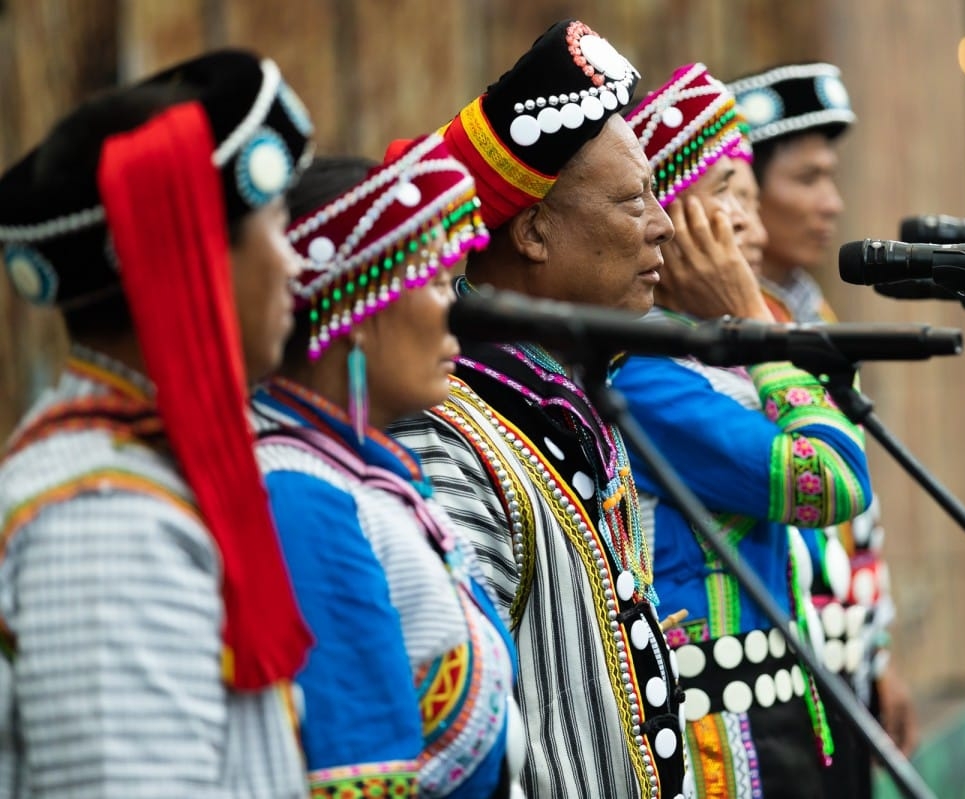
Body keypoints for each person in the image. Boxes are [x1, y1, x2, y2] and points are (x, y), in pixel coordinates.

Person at [0, 50, 315, 796]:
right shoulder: (107, 520)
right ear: (193, 257)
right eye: (277, 225)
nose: (297, 264)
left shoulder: (146, 471)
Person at [389, 19, 688, 799]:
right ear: (532, 230)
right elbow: (463, 736)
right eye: (633, 201)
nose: (663, 223)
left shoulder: (564, 402)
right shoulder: (447, 429)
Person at [617, 63, 873, 799]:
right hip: (720, 738)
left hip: (774, 713)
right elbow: (835, 479)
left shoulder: (703, 359)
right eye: (732, 199)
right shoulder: (645, 374)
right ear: (666, 216)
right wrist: (757, 321)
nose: (755, 232)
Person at [252, 139, 523, 797]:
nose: (451, 306)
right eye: (432, 281)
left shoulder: (363, 477)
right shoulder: (303, 500)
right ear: (357, 312)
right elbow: (358, 769)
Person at [727, 63, 919, 797]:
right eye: (805, 179)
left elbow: (857, 512)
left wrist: (878, 654)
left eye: (831, 178)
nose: (831, 203)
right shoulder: (722, 338)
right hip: (775, 682)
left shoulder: (815, 315)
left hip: (844, 667)